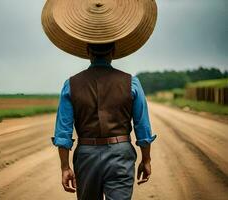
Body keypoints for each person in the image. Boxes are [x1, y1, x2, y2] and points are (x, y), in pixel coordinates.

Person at [41, 0, 158, 199]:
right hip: (121, 154)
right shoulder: (132, 83)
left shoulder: (70, 85)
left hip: (86, 155)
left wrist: (65, 167)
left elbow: (63, 132)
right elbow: (143, 128)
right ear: (114, 51)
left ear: (87, 51)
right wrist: (146, 160)